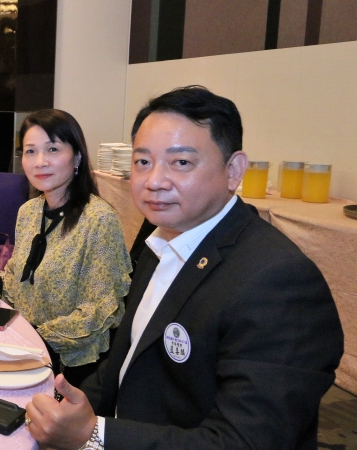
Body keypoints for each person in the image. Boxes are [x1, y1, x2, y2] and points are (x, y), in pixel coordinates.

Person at [24, 86, 344, 450]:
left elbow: (248, 441)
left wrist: (94, 434)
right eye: (143, 162)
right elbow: (124, 362)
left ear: (234, 170)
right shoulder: (162, 241)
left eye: (181, 163)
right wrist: (67, 409)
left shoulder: (279, 280)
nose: (154, 181)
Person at [0, 109, 131, 385]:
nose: (40, 162)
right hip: (22, 352)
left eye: (52, 149)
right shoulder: (29, 212)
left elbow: (97, 313)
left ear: (77, 156)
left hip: (70, 368)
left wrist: (30, 340)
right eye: (30, 151)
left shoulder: (99, 219)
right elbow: (18, 288)